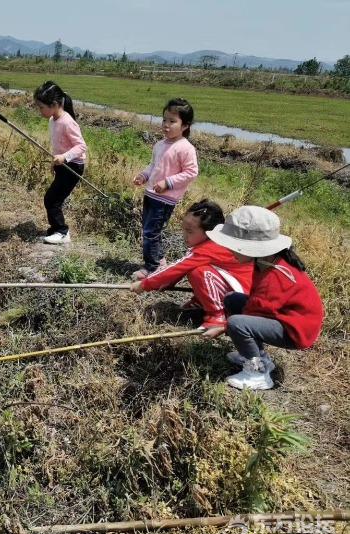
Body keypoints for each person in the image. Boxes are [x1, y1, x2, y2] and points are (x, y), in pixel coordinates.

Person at [204, 206, 324, 390]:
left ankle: (258, 372)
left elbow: (258, 311)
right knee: (232, 299)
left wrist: (223, 327)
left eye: (234, 247)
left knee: (237, 323)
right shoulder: (266, 261)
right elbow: (256, 301)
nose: (231, 251)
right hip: (283, 317)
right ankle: (256, 355)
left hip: (295, 330)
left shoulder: (276, 275)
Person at [130, 199, 253, 330]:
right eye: (184, 229)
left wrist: (145, 284)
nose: (184, 235)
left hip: (242, 298)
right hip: (237, 291)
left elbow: (177, 267)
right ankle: (202, 302)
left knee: (199, 272)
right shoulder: (213, 243)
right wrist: (170, 281)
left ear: (208, 233)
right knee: (196, 269)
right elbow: (180, 269)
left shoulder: (209, 248)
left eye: (190, 231)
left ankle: (217, 316)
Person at [132, 98, 198, 279]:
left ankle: (152, 268)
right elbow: (153, 166)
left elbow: (191, 172)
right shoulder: (160, 145)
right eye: (164, 120)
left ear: (185, 126)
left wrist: (167, 183)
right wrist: (144, 176)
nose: (166, 125)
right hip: (151, 194)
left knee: (151, 232)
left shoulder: (185, 148)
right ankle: (159, 262)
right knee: (149, 230)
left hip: (165, 198)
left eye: (172, 121)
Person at [33, 81, 87, 245]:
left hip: (73, 167)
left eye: (42, 107)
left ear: (55, 104)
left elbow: (81, 146)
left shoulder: (67, 122)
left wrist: (64, 157)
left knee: (52, 199)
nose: (40, 110)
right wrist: (56, 161)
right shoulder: (53, 120)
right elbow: (60, 145)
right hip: (63, 166)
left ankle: (62, 232)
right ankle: (56, 229)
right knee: (52, 198)